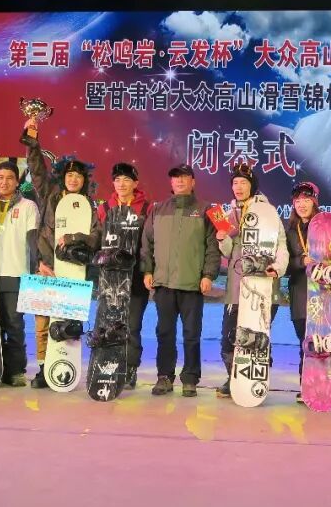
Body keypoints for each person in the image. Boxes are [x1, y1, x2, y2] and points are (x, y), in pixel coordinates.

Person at [22, 120, 101, 388]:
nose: (73, 179)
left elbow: (96, 237)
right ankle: (44, 369)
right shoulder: (50, 195)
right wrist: (32, 140)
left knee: (68, 321)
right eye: (69, 175)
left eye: (78, 176)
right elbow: (37, 170)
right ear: (63, 178)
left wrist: (75, 239)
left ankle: (64, 364)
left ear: (84, 180)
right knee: (42, 322)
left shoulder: (89, 205)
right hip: (46, 267)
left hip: (73, 271)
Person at [141, 164, 221, 397]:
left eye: (184, 177)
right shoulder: (158, 209)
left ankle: (190, 378)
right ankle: (164, 376)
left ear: (193, 182)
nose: (179, 181)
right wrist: (147, 271)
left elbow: (214, 247)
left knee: (191, 335)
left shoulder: (209, 209)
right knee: (164, 333)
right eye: (175, 178)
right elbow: (147, 244)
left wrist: (208, 275)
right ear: (171, 182)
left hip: (192, 285)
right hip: (163, 284)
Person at [216, 163, 289, 399]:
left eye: (243, 183)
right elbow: (229, 252)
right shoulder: (229, 215)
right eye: (235, 183)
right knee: (229, 336)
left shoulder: (268, 211)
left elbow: (281, 245)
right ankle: (234, 378)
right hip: (236, 287)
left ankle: (257, 379)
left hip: (263, 287)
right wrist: (222, 239)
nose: (238, 187)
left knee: (258, 336)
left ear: (252, 186)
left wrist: (277, 268)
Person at [284, 181, 331, 403]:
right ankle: (308, 388)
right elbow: (283, 264)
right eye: (297, 201)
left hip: (325, 293)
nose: (301, 205)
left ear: (314, 202)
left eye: (306, 200)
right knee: (307, 343)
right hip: (301, 294)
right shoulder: (290, 232)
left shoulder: (329, 226)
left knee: (326, 342)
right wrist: (299, 261)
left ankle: (326, 387)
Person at [97, 162, 152, 389]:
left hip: (136, 277)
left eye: (127, 180)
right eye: (117, 180)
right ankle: (107, 364)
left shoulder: (147, 208)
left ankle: (130, 367)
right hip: (109, 278)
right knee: (109, 324)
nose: (121, 184)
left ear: (135, 183)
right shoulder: (104, 208)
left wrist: (148, 270)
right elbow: (96, 238)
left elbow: (150, 243)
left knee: (132, 325)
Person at [0, 160, 39, 387]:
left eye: (9, 178)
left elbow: (33, 240)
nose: (4, 182)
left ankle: (16, 371)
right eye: (0, 177)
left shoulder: (28, 206)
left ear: (17, 182)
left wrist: (38, 267)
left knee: (14, 326)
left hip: (16, 274)